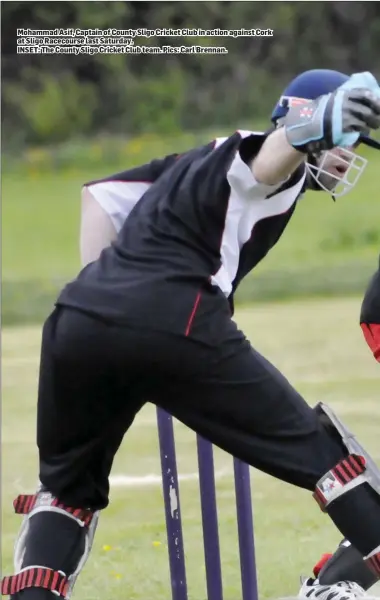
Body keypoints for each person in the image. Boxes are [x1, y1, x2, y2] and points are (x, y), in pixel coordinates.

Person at [2, 69, 380, 600]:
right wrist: (314, 127)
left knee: (66, 495)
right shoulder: (270, 159)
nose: (347, 157)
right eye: (344, 141)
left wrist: (113, 300)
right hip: (176, 319)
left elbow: (99, 197)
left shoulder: (189, 163)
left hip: (78, 318)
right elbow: (268, 160)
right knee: (327, 458)